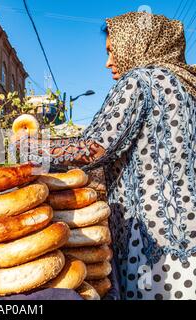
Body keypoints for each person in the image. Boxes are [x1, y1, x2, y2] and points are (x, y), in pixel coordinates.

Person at [25, 12, 196, 300]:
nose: (108, 63)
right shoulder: (184, 86)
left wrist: (34, 145)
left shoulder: (140, 80)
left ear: (136, 43)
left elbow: (94, 148)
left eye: (111, 51)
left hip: (154, 244)